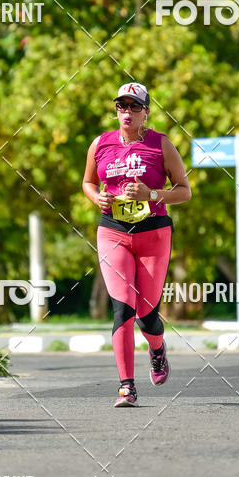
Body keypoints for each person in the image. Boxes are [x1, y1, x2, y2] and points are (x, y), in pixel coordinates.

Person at [82, 82, 191, 407]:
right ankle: (126, 386)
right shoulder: (100, 144)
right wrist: (95, 196)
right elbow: (87, 181)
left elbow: (184, 190)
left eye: (133, 107)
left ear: (146, 112)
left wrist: (152, 194)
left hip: (153, 233)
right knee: (123, 307)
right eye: (121, 106)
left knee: (146, 313)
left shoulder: (161, 145)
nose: (126, 113)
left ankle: (157, 350)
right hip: (113, 231)